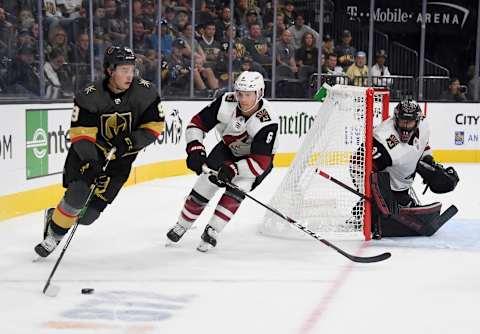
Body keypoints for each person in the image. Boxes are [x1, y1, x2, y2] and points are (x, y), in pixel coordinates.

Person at [34, 46, 165, 257]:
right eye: (123, 70)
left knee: (88, 217)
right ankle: (54, 235)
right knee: (77, 195)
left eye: (131, 69)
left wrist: (129, 143)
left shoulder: (146, 92)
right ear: (109, 70)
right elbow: (81, 133)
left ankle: (54, 215)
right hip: (90, 152)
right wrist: (91, 161)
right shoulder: (89, 96)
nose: (129, 75)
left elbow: (154, 127)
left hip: (122, 159)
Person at [166, 71, 279, 252]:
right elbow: (197, 124)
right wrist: (195, 149)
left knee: (237, 189)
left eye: (248, 95)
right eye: (240, 93)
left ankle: (213, 230)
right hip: (228, 149)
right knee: (205, 183)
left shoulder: (267, 120)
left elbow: (260, 164)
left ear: (259, 94)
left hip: (254, 161)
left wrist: (233, 169)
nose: (242, 99)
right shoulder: (226, 101)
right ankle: (183, 224)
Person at [349, 100, 459, 238]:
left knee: (445, 181)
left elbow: (423, 145)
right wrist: (372, 194)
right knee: (391, 218)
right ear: (395, 119)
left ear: (418, 122)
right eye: (402, 122)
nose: (406, 127)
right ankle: (366, 213)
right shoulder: (383, 140)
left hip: (402, 182)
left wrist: (428, 161)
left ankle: (379, 208)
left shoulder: (424, 126)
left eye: (410, 122)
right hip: (388, 188)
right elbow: (357, 164)